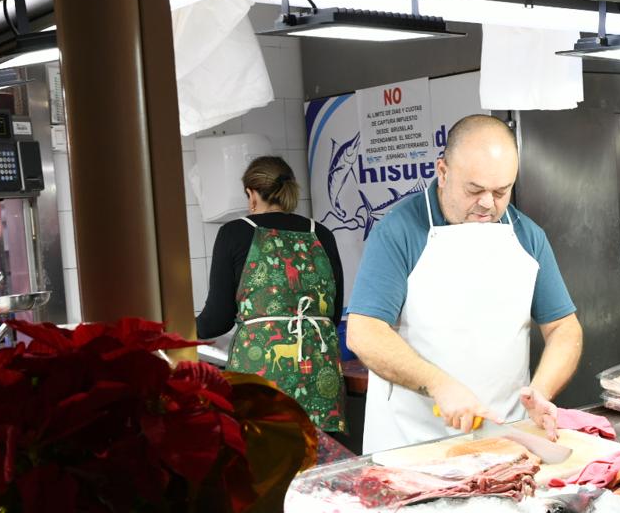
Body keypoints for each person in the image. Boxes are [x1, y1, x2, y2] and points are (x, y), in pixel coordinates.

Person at [346, 114, 582, 453]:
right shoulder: (398, 233)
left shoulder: (528, 236)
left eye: (502, 191)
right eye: (475, 190)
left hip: (504, 441)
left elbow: (564, 327)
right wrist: (437, 383)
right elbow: (364, 331)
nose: (488, 204)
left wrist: (541, 390)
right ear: (442, 172)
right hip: (412, 446)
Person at [197, 156, 347, 434]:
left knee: (267, 463)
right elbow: (333, 313)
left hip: (262, 375)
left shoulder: (234, 232)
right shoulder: (322, 234)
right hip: (318, 369)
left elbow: (216, 320)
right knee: (322, 464)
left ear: (251, 194)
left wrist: (184, 330)